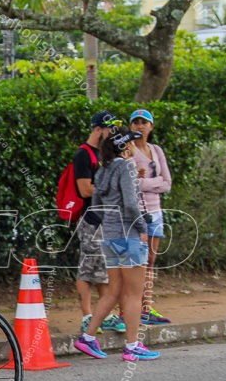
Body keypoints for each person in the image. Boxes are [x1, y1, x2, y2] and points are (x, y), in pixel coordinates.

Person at [74, 126, 160, 362]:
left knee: (113, 291)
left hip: (110, 237)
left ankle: (88, 337)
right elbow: (131, 205)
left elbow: (97, 202)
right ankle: (132, 346)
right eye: (132, 142)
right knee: (134, 294)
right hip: (129, 236)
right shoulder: (126, 167)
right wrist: (142, 228)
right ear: (125, 146)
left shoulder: (103, 170)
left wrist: (111, 225)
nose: (135, 145)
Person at [76, 111, 125, 335]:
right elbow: (84, 189)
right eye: (109, 129)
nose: (112, 133)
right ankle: (87, 316)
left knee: (105, 270)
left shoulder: (104, 153)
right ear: (98, 129)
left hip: (107, 221)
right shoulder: (84, 155)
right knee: (87, 270)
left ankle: (105, 315)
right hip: (91, 220)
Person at [129, 109, 173, 324]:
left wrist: (147, 184)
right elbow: (131, 184)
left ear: (151, 127)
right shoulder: (128, 151)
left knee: (151, 260)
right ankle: (132, 307)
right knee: (137, 261)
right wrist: (152, 184)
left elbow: (167, 183)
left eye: (144, 122)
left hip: (155, 211)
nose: (140, 126)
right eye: (136, 122)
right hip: (137, 213)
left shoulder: (156, 151)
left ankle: (147, 306)